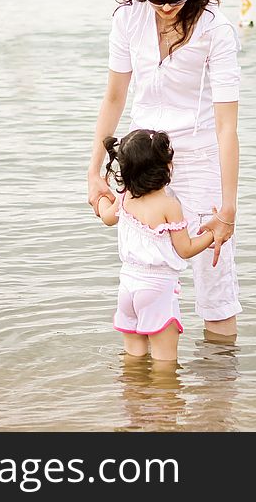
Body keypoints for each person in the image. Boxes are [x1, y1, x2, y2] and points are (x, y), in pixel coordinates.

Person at [88, 0, 242, 338]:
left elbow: (227, 126)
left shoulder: (216, 30)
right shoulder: (127, 20)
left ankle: (219, 396)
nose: (167, 5)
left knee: (215, 281)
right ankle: (145, 390)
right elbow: (114, 97)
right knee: (143, 272)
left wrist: (228, 208)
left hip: (198, 158)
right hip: (142, 160)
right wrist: (93, 171)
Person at [96, 129, 215, 361]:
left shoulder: (125, 197)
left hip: (127, 287)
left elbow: (107, 218)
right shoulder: (169, 205)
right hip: (157, 289)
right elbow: (186, 249)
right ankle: (163, 397)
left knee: (133, 358)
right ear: (167, 167)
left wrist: (100, 198)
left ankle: (134, 394)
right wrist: (214, 233)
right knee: (164, 363)